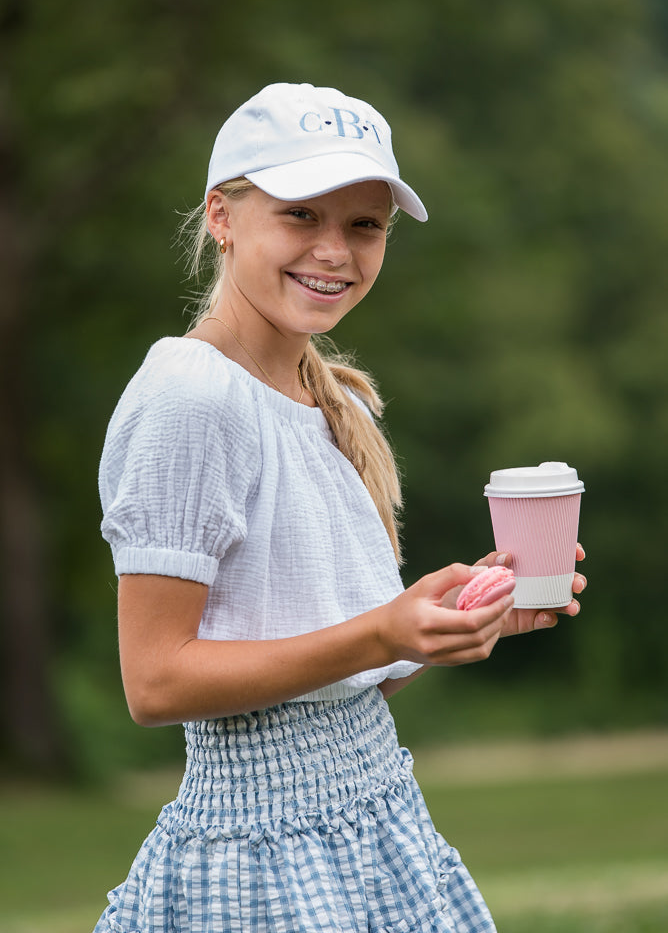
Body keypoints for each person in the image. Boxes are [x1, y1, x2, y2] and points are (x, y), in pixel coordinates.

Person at [94, 83, 586, 933]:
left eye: (365, 225)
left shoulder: (335, 404)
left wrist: (445, 625)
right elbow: (156, 680)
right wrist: (381, 634)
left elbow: (340, 679)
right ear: (222, 216)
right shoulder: (190, 396)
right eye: (300, 215)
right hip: (262, 854)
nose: (334, 251)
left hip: (378, 822)